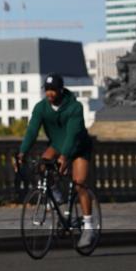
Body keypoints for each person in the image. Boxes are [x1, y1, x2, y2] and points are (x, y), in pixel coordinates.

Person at [13, 73, 96, 248]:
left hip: (79, 146)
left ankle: (88, 227)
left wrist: (65, 158)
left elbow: (72, 135)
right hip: (58, 144)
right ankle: (58, 200)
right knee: (42, 167)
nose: (49, 93)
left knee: (80, 183)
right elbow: (32, 131)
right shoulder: (41, 108)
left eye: (53, 90)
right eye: (47, 90)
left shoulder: (75, 107)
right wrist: (21, 154)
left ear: (60, 90)